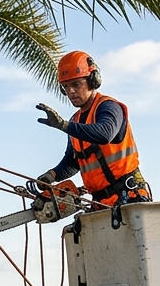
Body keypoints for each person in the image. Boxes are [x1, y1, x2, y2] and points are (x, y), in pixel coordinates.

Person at [35, 50, 152, 208]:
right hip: (99, 202)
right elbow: (73, 161)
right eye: (66, 87)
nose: (70, 91)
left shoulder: (109, 107)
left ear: (92, 81)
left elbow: (105, 133)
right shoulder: (75, 121)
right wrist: (52, 175)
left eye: (76, 84)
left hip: (129, 196)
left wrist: (63, 125)